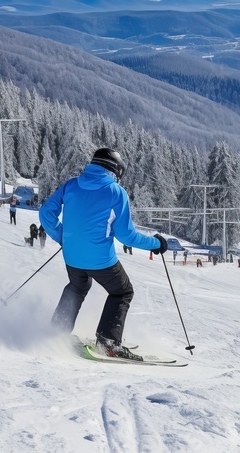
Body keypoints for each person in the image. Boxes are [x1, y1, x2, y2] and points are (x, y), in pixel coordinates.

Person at [40, 147, 167, 361]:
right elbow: (126, 236)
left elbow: (46, 213)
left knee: (78, 286)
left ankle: (57, 331)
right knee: (122, 291)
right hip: (100, 259)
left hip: (72, 257)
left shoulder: (71, 185)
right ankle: (108, 343)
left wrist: (63, 237)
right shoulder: (115, 192)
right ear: (115, 170)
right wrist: (156, 243)